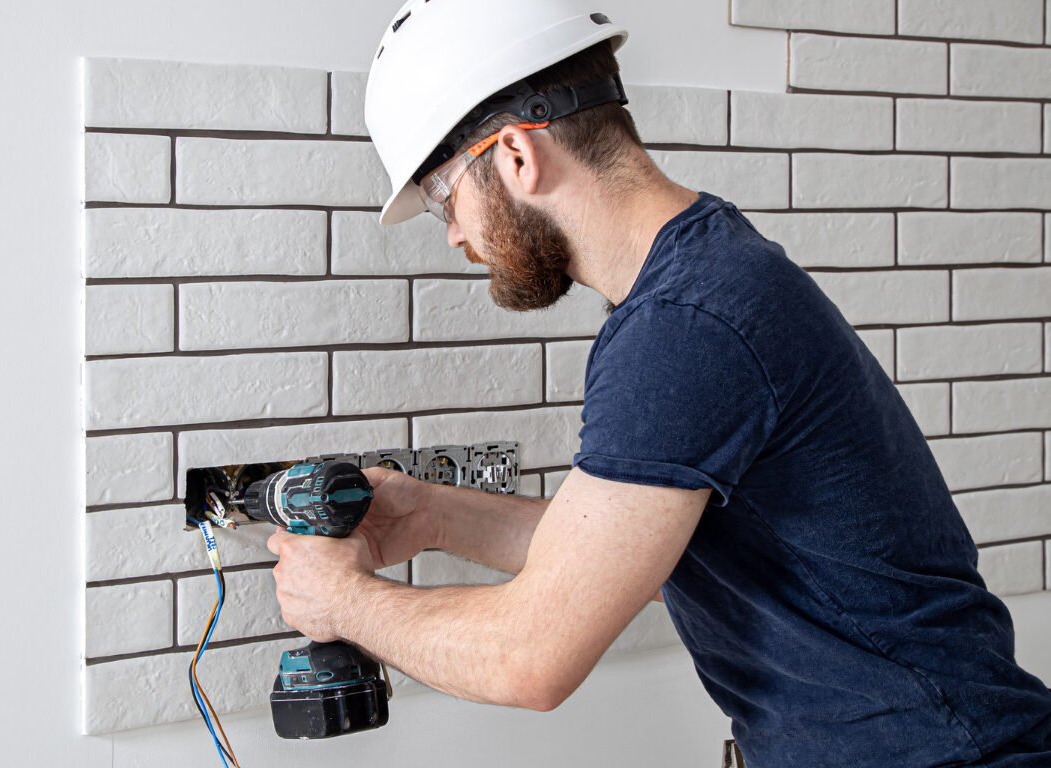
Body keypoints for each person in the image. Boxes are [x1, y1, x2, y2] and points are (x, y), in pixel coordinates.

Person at [265, 2, 1051, 765]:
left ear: (515, 156)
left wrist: (344, 601)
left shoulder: (685, 326)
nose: (457, 234)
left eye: (444, 196)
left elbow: (529, 658)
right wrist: (432, 513)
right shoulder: (703, 281)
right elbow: (620, 553)